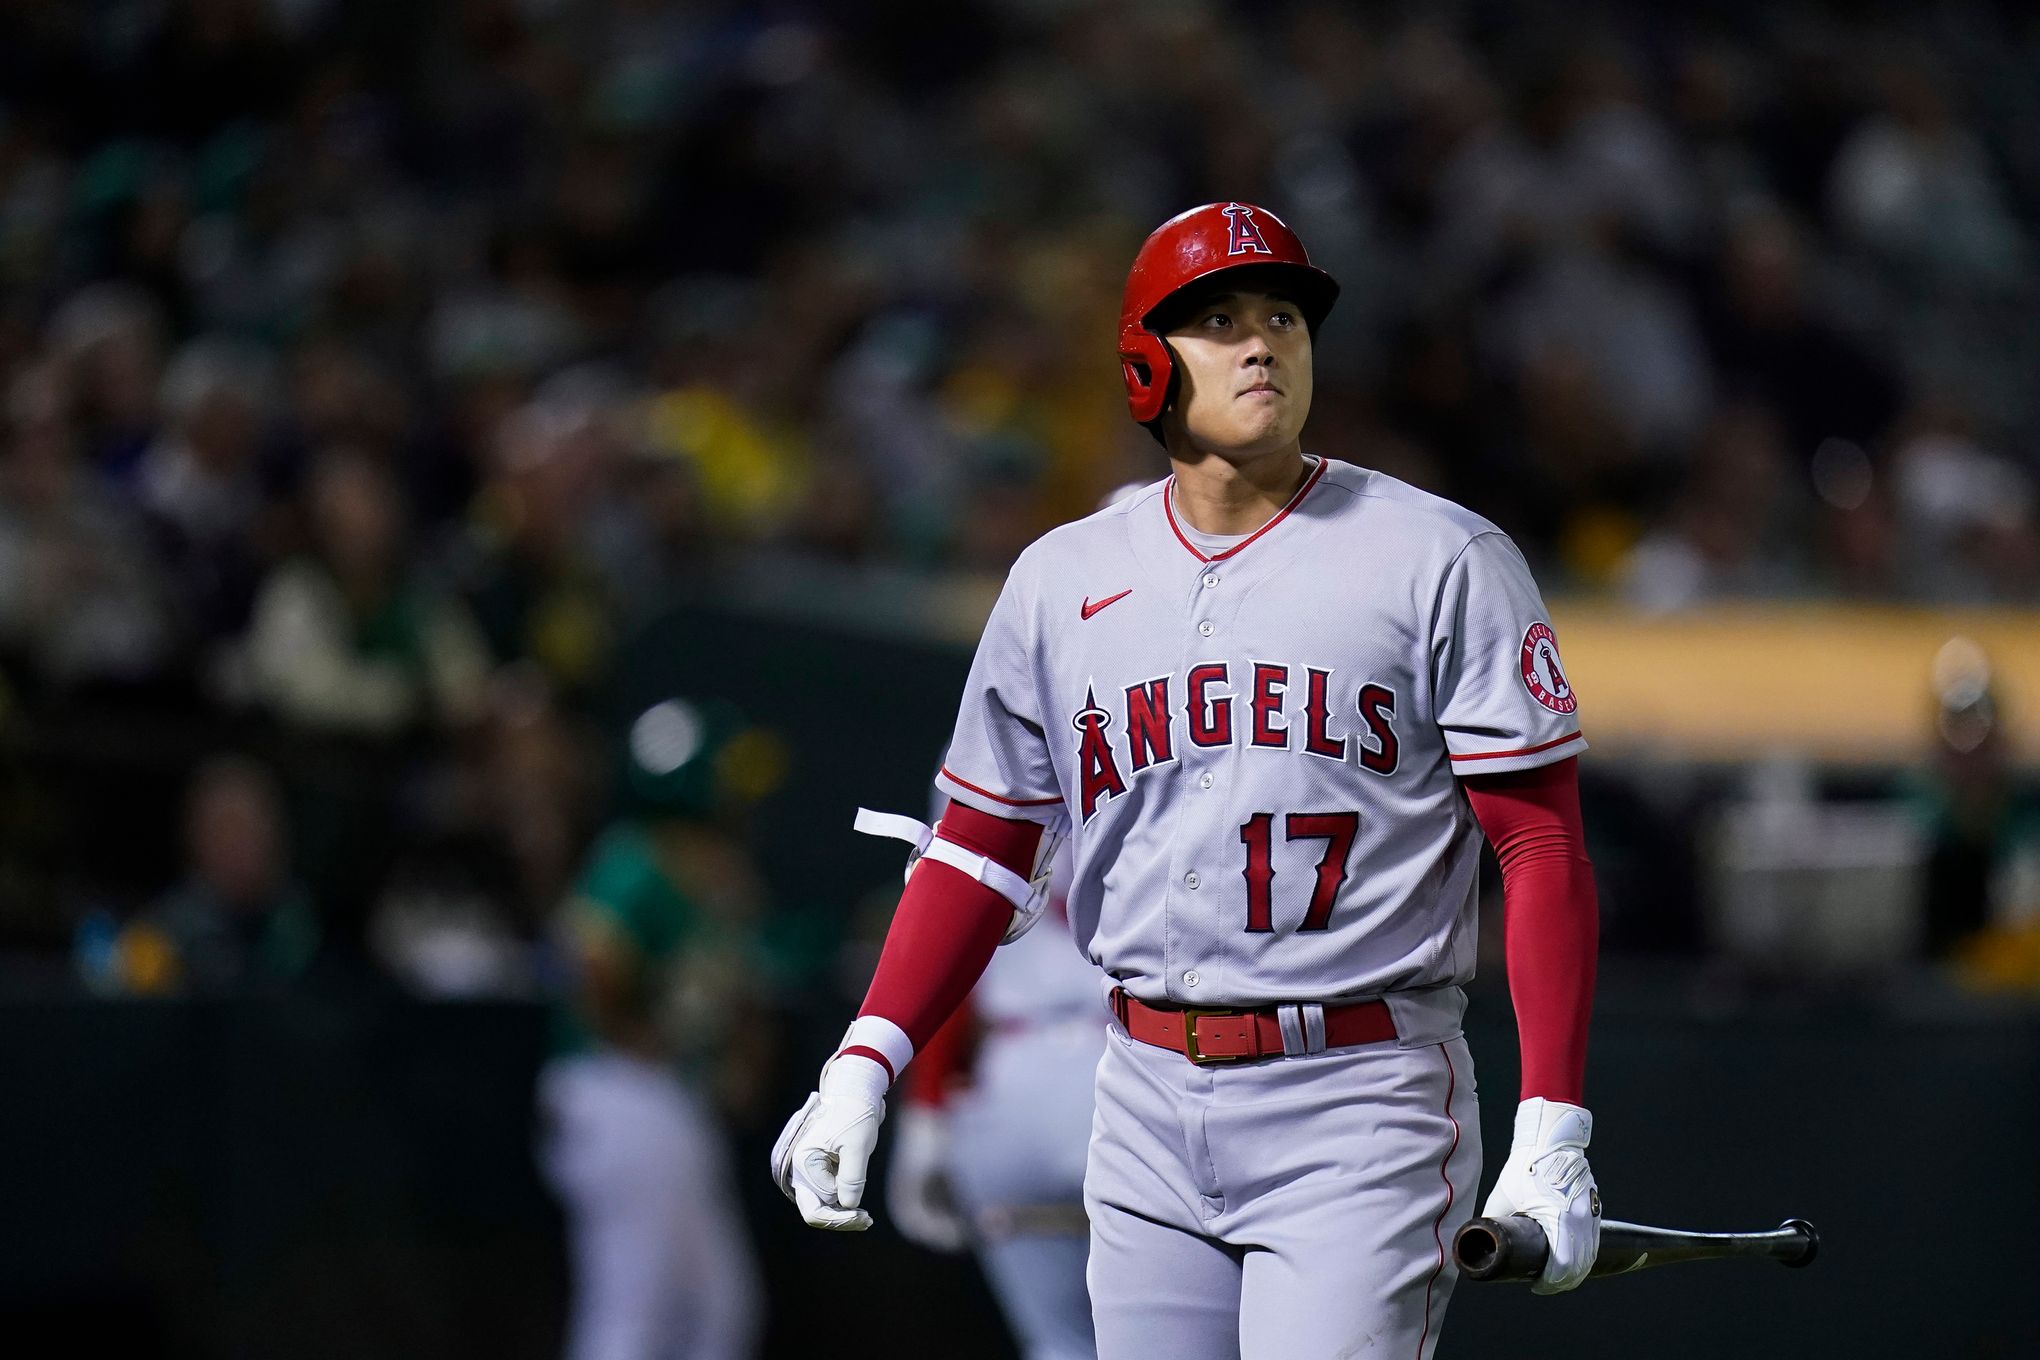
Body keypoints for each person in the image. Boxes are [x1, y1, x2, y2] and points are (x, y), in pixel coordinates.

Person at [772, 202, 1604, 1357]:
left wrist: (1552, 1123)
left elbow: (1541, 845)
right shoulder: (1061, 579)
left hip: (1358, 1093)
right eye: (1219, 319)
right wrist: (869, 1058)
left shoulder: (1439, 556)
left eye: (1282, 317)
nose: (1262, 341)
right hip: (1143, 1094)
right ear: (1145, 364)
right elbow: (979, 847)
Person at [540, 698, 771, 1360]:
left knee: (717, 1312)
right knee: (634, 1315)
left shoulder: (711, 877)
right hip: (620, 1091)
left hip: (665, 1099)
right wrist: (650, 1036)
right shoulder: (635, 859)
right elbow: (585, 960)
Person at [885, 819, 1099, 1360]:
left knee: (1059, 1344)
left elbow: (952, 940)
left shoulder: (992, 739)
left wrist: (926, 1116)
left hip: (1010, 1075)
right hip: (1136, 1056)